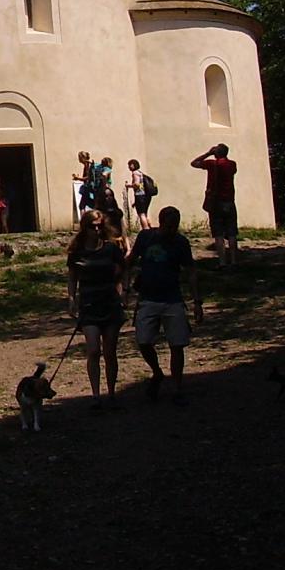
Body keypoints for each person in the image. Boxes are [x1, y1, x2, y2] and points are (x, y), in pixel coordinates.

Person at [123, 205, 202, 405]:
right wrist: (124, 287)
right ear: (160, 223)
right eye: (168, 226)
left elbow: (190, 271)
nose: (171, 230)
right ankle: (157, 371)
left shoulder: (180, 243)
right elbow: (130, 261)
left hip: (172, 298)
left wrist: (196, 301)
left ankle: (177, 387)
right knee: (143, 340)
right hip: (148, 298)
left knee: (177, 344)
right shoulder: (145, 237)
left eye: (174, 226)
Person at [66, 209, 128, 411]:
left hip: (110, 304)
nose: (97, 230)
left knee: (110, 352)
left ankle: (111, 393)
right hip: (89, 306)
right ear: (85, 227)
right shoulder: (77, 251)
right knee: (93, 350)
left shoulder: (111, 249)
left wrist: (123, 291)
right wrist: (71, 299)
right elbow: (72, 277)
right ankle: (95, 394)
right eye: (93, 226)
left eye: (100, 226)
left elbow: (123, 270)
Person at [190, 143, 239, 267]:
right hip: (229, 201)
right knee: (232, 233)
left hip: (216, 202)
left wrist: (208, 153)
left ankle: (222, 262)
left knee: (218, 234)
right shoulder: (232, 164)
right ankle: (233, 261)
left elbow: (194, 163)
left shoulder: (211, 164)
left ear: (216, 153)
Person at [127, 158, 152, 232]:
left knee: (141, 214)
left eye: (130, 165)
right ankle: (150, 228)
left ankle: (146, 230)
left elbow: (137, 184)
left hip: (140, 195)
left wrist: (129, 185)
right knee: (145, 213)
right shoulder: (140, 172)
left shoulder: (135, 173)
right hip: (146, 195)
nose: (129, 167)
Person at [73, 150, 95, 216]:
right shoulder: (87, 165)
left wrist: (78, 178)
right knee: (88, 204)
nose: (78, 159)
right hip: (89, 187)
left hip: (88, 188)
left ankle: (84, 221)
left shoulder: (87, 165)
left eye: (79, 157)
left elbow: (88, 177)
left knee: (82, 205)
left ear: (83, 158)